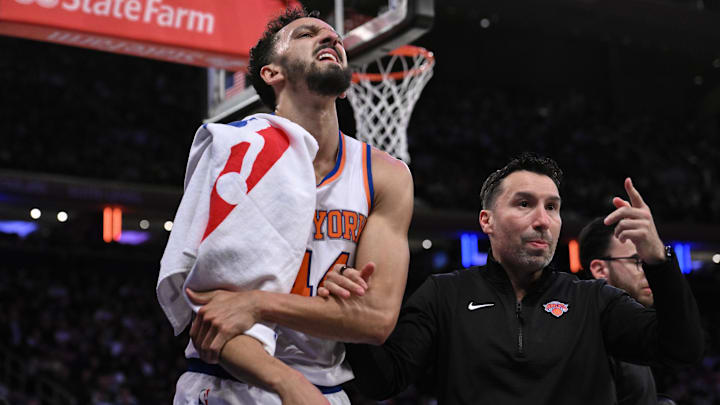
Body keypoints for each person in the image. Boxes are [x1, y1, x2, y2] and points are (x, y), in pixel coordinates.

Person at [173, 7, 413, 405]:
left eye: (335, 37)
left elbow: (376, 320)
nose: (332, 38)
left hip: (328, 389)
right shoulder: (234, 151)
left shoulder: (386, 175)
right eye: (305, 34)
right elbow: (211, 312)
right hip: (228, 385)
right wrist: (289, 384)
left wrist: (257, 303)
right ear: (272, 73)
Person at [341, 153, 703, 404]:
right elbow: (382, 380)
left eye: (553, 207)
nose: (543, 220)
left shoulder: (595, 301)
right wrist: (352, 318)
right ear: (487, 221)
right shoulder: (444, 294)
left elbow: (682, 348)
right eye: (524, 203)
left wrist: (659, 260)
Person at [579, 217, 668, 405]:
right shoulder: (586, 337)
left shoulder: (633, 330)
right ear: (600, 269)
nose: (647, 270)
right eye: (637, 261)